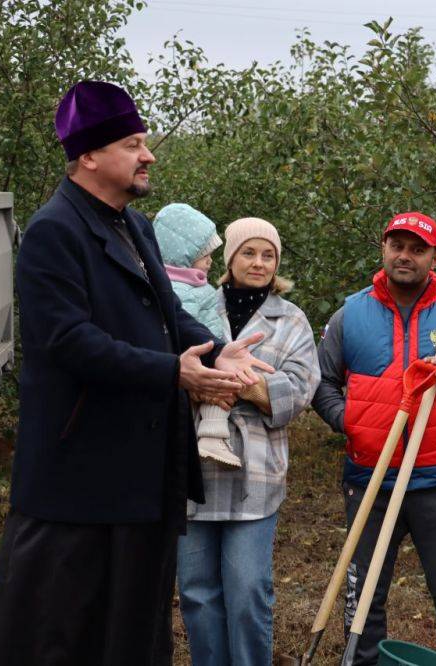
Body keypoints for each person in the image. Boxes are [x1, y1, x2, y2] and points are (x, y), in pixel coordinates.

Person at [0, 80, 271, 665]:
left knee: (132, 634)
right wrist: (176, 374)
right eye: (134, 143)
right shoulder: (53, 232)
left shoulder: (134, 226)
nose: (149, 155)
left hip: (141, 475)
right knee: (58, 634)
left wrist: (215, 352)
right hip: (77, 479)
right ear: (89, 155)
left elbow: (169, 316)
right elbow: (68, 343)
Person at [311, 212, 436, 666]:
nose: (405, 256)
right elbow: (321, 382)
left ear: (435, 257)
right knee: (362, 599)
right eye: (397, 246)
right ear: (383, 248)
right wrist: (350, 420)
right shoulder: (351, 312)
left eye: (417, 249)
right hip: (369, 479)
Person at [177, 217, 320, 665]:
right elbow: (170, 367)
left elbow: (297, 391)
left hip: (255, 475)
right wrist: (243, 379)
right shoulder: (193, 305)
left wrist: (222, 380)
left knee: (247, 593)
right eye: (248, 253)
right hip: (192, 474)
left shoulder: (291, 320)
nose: (258, 263)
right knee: (197, 594)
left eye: (268, 255)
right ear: (229, 258)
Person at [153, 202, 243, 468]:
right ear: (185, 254)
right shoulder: (198, 290)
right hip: (201, 355)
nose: (210, 260)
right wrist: (219, 350)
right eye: (205, 254)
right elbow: (205, 327)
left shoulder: (157, 284)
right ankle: (213, 436)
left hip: (168, 366)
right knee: (221, 384)